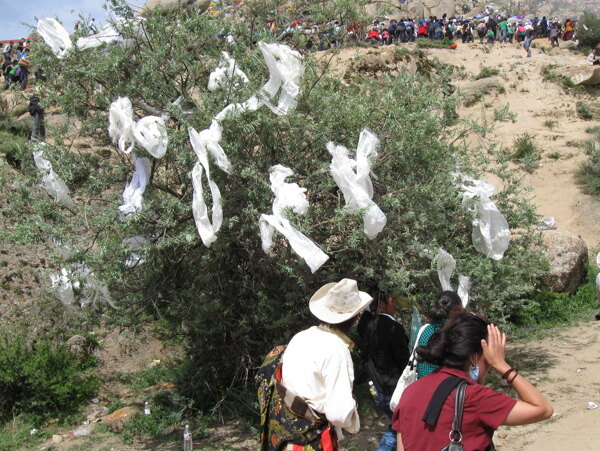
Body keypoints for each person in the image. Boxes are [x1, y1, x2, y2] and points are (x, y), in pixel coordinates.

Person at [392, 314, 553, 450]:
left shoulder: (410, 391)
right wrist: (502, 365)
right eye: (489, 358)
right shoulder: (475, 397)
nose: (490, 364)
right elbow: (542, 409)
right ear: (474, 357)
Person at [257, 278, 372, 450]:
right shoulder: (337, 349)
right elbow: (338, 413)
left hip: (285, 435)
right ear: (356, 316)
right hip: (312, 441)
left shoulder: (300, 337)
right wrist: (353, 414)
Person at [358, 293, 409, 451]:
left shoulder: (367, 325)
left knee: (395, 423)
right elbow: (403, 360)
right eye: (392, 301)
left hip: (375, 386)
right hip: (391, 388)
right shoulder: (394, 328)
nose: (395, 305)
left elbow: (364, 316)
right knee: (397, 426)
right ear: (382, 304)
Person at [416, 291, 464, 379]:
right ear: (457, 310)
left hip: (421, 384)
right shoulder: (454, 333)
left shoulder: (425, 329)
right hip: (443, 387)